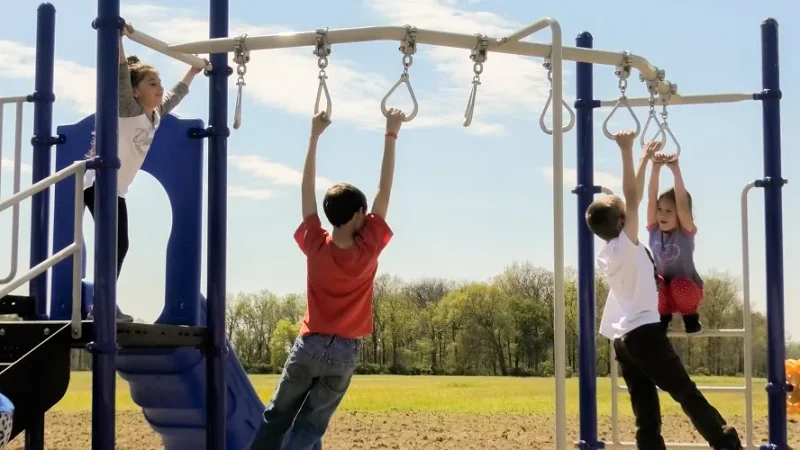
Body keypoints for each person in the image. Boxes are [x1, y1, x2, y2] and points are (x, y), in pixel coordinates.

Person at [246, 108, 404, 450]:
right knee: (310, 427)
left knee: (276, 417)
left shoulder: (315, 245)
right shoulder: (368, 249)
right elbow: (385, 189)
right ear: (360, 214)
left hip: (310, 345)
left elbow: (306, 191)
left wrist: (314, 137)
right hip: (345, 351)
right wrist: (391, 133)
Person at [585, 131, 742, 450]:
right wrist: (628, 151)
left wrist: (644, 158)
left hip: (623, 341)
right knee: (686, 392)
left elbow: (631, 198)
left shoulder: (609, 252)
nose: (630, 208)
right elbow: (633, 194)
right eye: (624, 210)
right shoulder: (627, 247)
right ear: (621, 223)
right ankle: (726, 443)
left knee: (644, 408)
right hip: (644, 335)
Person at [83, 23, 206, 322]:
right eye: (152, 83)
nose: (159, 87)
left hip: (116, 189)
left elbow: (175, 95)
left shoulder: (155, 115)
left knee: (120, 244)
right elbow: (120, 71)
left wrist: (192, 71)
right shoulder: (128, 108)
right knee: (117, 243)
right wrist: (118, 37)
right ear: (136, 91)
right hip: (97, 182)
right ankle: (101, 305)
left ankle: (102, 303)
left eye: (159, 82)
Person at [647, 151, 703, 333]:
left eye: (669, 211)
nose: (662, 214)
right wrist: (655, 169)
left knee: (678, 284)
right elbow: (651, 198)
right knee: (653, 281)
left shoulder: (684, 232)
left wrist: (676, 171)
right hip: (665, 294)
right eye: (660, 209)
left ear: (680, 215)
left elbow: (682, 206)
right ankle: (662, 318)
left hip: (687, 290)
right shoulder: (655, 230)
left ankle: (690, 318)